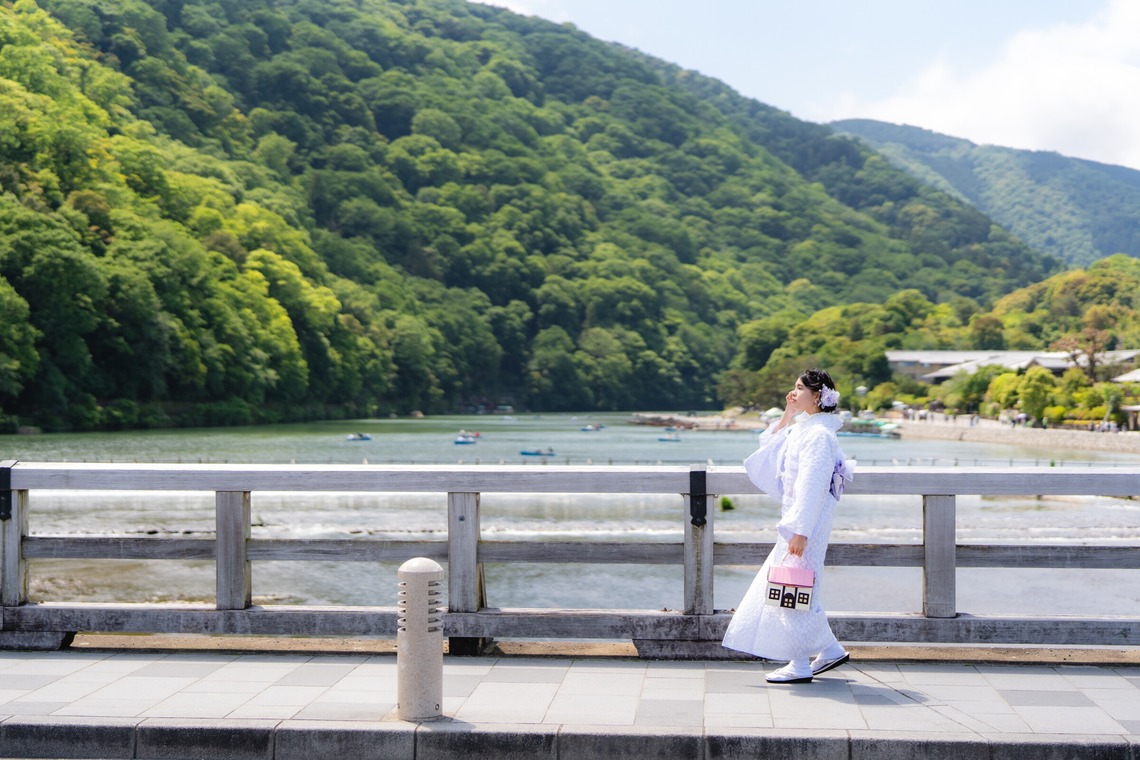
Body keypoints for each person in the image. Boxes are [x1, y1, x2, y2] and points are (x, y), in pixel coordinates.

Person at [722, 368, 854, 684]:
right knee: (798, 585)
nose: (793, 392)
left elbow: (812, 485)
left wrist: (800, 531)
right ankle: (830, 649)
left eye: (798, 388)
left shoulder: (819, 435)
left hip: (804, 525)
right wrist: (789, 412)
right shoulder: (807, 428)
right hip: (798, 522)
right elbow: (771, 447)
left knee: (793, 588)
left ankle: (800, 664)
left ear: (818, 395)